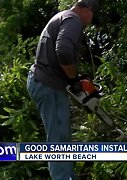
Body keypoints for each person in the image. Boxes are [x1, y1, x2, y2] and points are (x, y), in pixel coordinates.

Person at [26, 0, 99, 179]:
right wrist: (74, 80)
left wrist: (76, 80)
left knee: (58, 137)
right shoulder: (73, 19)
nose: (89, 21)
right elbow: (64, 52)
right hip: (48, 84)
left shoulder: (61, 17)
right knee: (60, 141)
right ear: (88, 10)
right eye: (92, 16)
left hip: (43, 81)